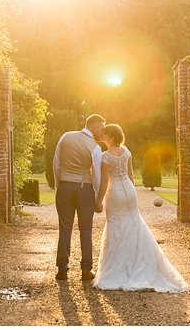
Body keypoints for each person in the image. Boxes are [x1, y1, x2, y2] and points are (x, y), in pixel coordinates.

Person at [92, 124, 190, 292]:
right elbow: (130, 176)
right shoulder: (127, 152)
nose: (102, 135)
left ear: (112, 137)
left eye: (105, 134)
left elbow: (103, 181)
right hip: (129, 192)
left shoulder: (105, 156)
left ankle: (119, 268)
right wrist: (131, 193)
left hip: (114, 193)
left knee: (116, 227)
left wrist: (98, 201)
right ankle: (139, 262)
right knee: (134, 225)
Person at [53, 113, 106, 281]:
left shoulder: (65, 137)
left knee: (65, 228)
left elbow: (56, 164)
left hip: (65, 186)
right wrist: (98, 199)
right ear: (94, 128)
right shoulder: (95, 147)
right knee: (85, 229)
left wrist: (60, 184)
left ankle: (62, 269)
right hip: (84, 190)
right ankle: (86, 270)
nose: (102, 134)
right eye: (102, 130)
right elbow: (97, 175)